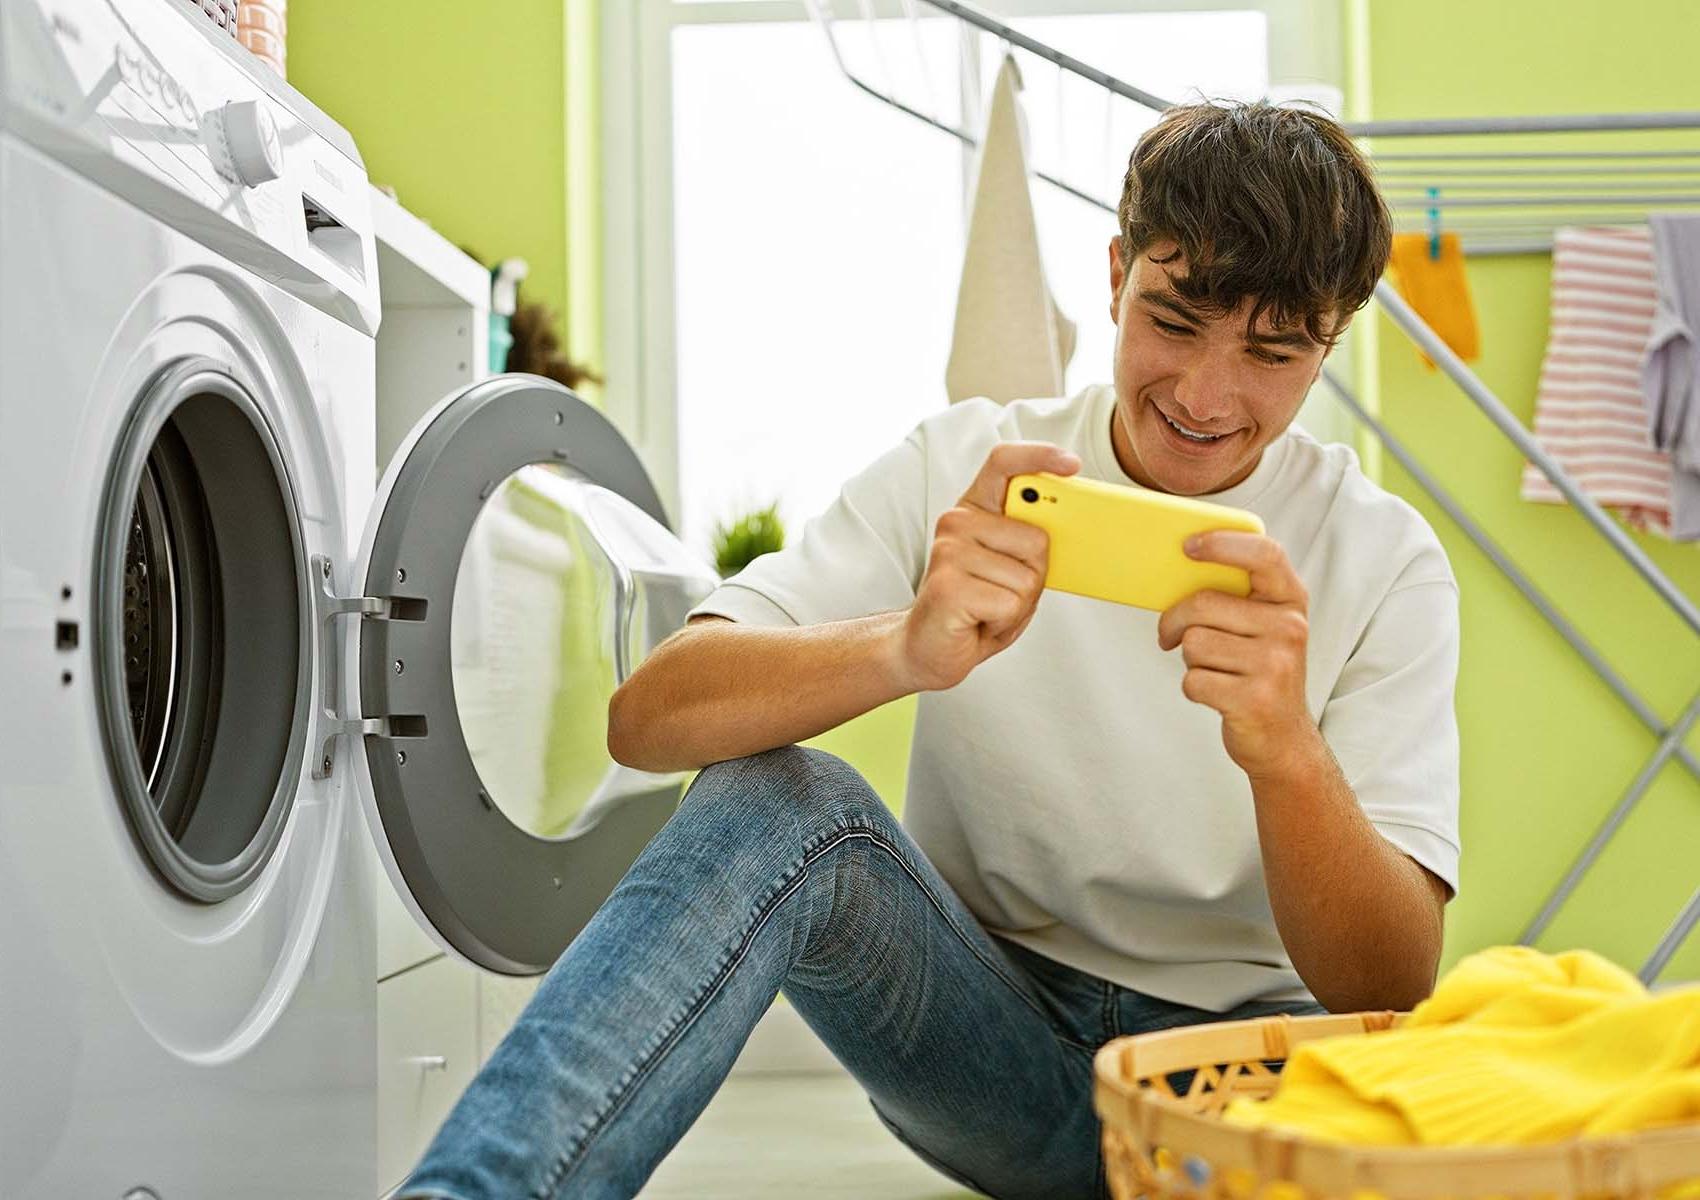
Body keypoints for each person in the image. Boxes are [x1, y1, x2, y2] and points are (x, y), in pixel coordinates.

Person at [398, 99, 1459, 1200]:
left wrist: (1284, 750)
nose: (1202, 395)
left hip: (1234, 1093)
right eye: (1174, 319)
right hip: (978, 1045)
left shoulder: (1382, 561)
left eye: (1272, 351)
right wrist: (902, 649)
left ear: (1330, 339)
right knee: (781, 796)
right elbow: (650, 719)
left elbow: (1389, 979)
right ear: (1112, 276)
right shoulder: (963, 464)